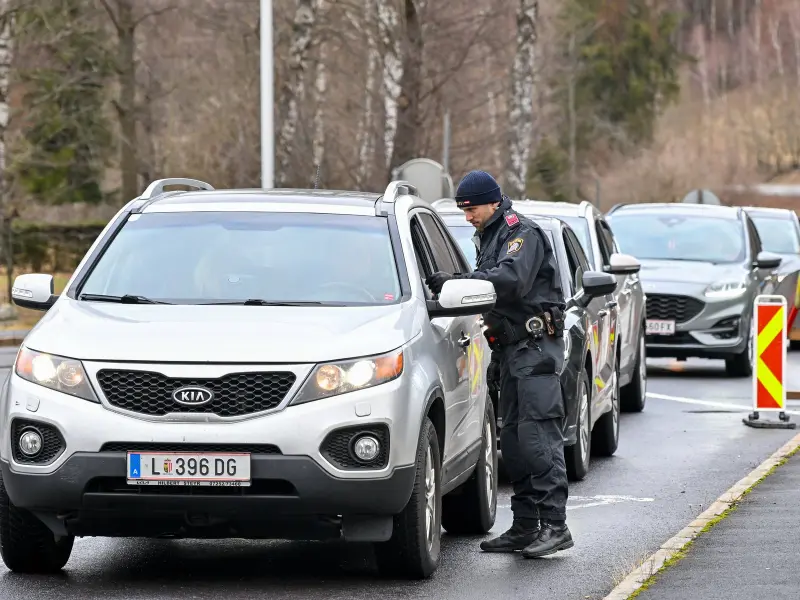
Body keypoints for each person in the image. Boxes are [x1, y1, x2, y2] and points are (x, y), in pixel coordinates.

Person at [425, 170, 573, 559]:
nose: (467, 216)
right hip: (512, 351)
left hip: (536, 349)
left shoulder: (521, 232)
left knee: (539, 438)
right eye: (463, 210)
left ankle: (556, 526)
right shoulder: (491, 236)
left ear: (492, 201)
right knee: (515, 441)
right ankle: (525, 526)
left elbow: (509, 280)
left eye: (471, 208)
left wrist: (462, 281)